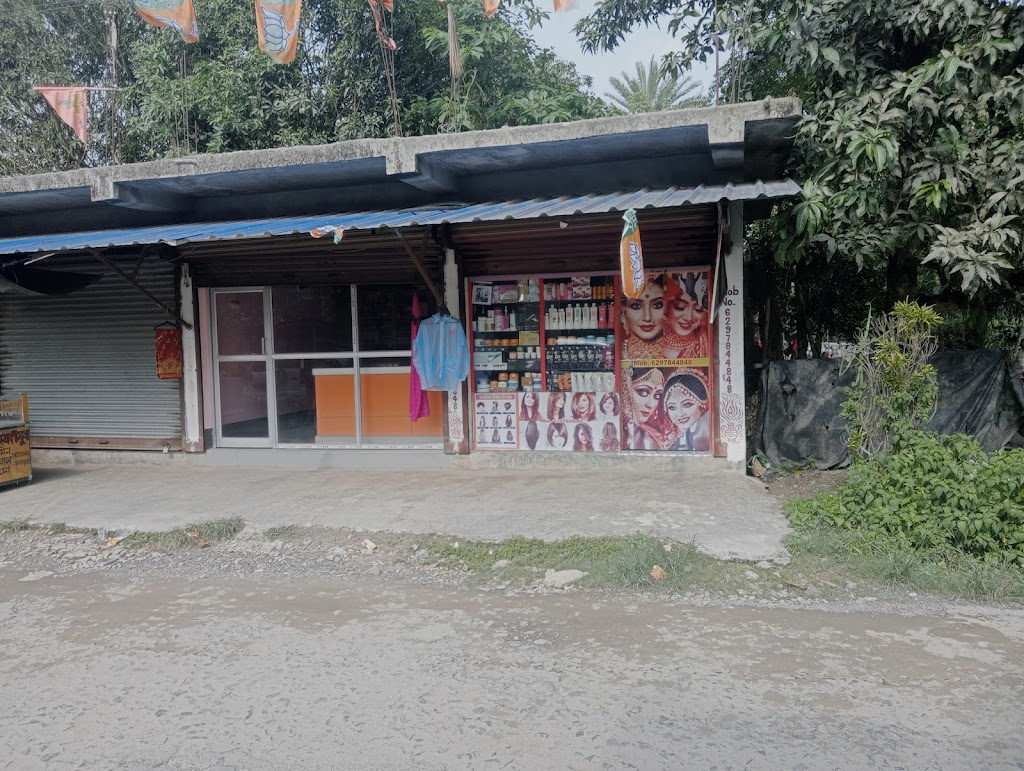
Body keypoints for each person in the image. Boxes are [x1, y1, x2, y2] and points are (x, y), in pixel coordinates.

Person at [663, 272, 710, 361]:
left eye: (699, 309)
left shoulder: (705, 341)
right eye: (680, 306)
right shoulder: (648, 337)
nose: (689, 318)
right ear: (665, 307)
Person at [622, 367, 669, 450]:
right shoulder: (613, 426)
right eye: (643, 392)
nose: (651, 405)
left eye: (657, 396)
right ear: (626, 389)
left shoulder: (654, 437)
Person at [663, 370, 711, 452]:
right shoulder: (666, 440)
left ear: (702, 405)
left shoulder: (710, 435)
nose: (680, 413)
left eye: (687, 405)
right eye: (672, 407)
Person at [620, 275, 665, 361]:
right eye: (636, 306)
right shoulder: (619, 352)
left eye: (657, 305)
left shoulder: (679, 354)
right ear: (624, 310)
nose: (647, 318)